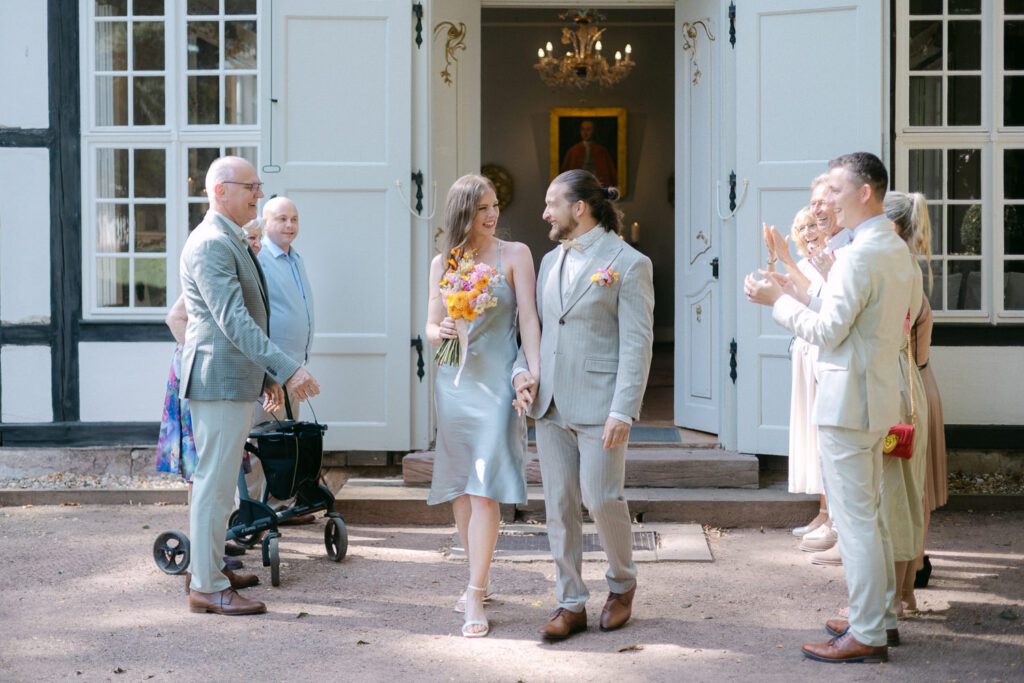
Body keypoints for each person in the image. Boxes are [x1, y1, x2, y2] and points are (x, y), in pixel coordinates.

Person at [745, 152, 921, 663]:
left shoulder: (863, 253)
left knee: (856, 521)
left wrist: (773, 303)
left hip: (848, 402)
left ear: (866, 191)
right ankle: (880, 618)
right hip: (874, 395)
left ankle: (866, 632)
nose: (829, 202)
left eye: (837, 191)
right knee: (873, 516)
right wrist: (791, 287)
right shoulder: (891, 248)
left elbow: (827, 331)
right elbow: (848, 317)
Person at [513, 169, 654, 641]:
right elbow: (534, 333)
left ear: (579, 208)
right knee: (558, 504)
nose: (544, 212)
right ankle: (570, 602)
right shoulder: (551, 261)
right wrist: (521, 374)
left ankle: (622, 584)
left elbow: (637, 344)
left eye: (552, 203)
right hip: (549, 405)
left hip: (600, 406)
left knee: (601, 498)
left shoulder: (628, 262)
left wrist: (623, 410)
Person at [180, 156, 321, 616]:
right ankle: (206, 585)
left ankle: (212, 569)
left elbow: (246, 319)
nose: (259, 195)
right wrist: (287, 368)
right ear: (220, 190)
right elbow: (233, 321)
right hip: (217, 379)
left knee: (222, 485)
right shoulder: (211, 243)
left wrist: (265, 378)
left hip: (235, 378)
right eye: (251, 187)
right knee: (215, 485)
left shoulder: (229, 238)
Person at [424, 174, 541, 638]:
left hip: (496, 385)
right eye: (482, 209)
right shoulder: (444, 263)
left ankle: (474, 594)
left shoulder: (516, 255)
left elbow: (529, 318)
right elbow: (430, 327)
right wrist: (442, 332)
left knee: (484, 487)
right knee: (459, 485)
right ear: (463, 214)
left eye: (495, 206)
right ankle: (479, 578)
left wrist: (532, 370)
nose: (493, 216)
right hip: (453, 384)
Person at [884, 190, 947, 612]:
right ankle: (904, 595)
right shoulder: (909, 268)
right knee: (910, 496)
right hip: (919, 384)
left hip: (904, 388)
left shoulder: (894, 272)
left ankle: (893, 599)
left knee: (901, 498)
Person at [246, 196, 318, 524]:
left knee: (285, 441)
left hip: (294, 368)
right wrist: (269, 373)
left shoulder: (295, 258)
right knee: (261, 443)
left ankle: (277, 507)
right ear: (265, 222)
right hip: (271, 372)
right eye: (281, 219)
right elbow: (255, 321)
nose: (289, 225)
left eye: (294, 219)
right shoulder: (260, 259)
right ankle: (250, 515)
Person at [560, 120, 617, 188]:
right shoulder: (573, 150)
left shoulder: (601, 150)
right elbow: (564, 173)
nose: (585, 132)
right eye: (583, 129)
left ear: (593, 131)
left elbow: (611, 174)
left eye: (588, 129)